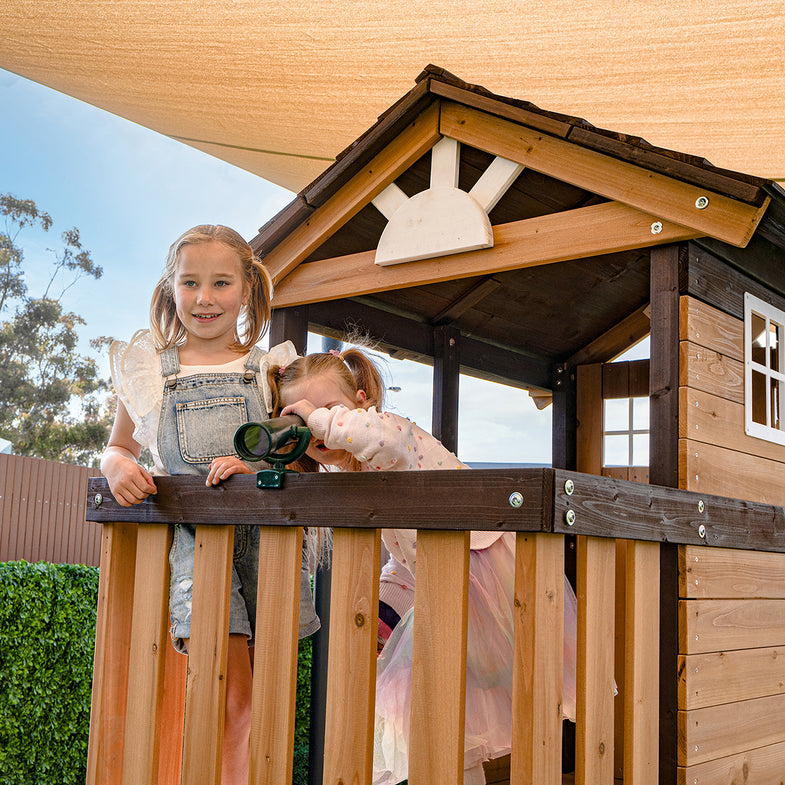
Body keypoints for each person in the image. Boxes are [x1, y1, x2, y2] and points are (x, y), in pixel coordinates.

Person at [272, 347, 577, 785]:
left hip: (487, 576)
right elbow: (405, 555)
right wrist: (383, 611)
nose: (319, 427)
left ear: (361, 403)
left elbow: (379, 438)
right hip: (440, 582)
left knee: (442, 700)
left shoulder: (391, 433)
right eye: (305, 421)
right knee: (429, 708)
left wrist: (321, 421)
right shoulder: (356, 475)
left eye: (329, 410)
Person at [100, 224, 320, 785]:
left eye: (221, 283)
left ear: (247, 290)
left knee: (265, 699)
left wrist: (257, 466)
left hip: (270, 547)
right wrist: (118, 467)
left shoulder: (270, 371)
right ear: (170, 288)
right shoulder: (151, 373)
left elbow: (304, 458)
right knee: (228, 695)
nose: (204, 298)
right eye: (190, 283)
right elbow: (118, 447)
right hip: (199, 550)